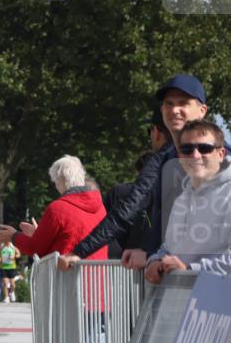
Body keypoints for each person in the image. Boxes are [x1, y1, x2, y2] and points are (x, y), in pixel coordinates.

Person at [59, 75, 209, 271]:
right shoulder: (163, 160)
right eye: (169, 103)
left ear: (202, 111)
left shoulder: (221, 156)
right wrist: (79, 251)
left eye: (183, 103)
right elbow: (129, 210)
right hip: (179, 276)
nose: (174, 110)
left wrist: (159, 254)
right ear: (162, 110)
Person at [146, 119, 231, 282]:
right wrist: (156, 260)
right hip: (183, 299)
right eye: (187, 149)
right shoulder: (182, 198)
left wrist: (190, 270)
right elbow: (169, 248)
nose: (195, 155)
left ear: (221, 154)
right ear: (179, 156)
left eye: (205, 148)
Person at [0, 155, 108, 262]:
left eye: (55, 181)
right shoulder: (101, 208)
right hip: (97, 278)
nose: (56, 186)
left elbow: (36, 249)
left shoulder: (58, 208)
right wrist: (37, 234)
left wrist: (13, 236)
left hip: (67, 277)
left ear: (61, 180)